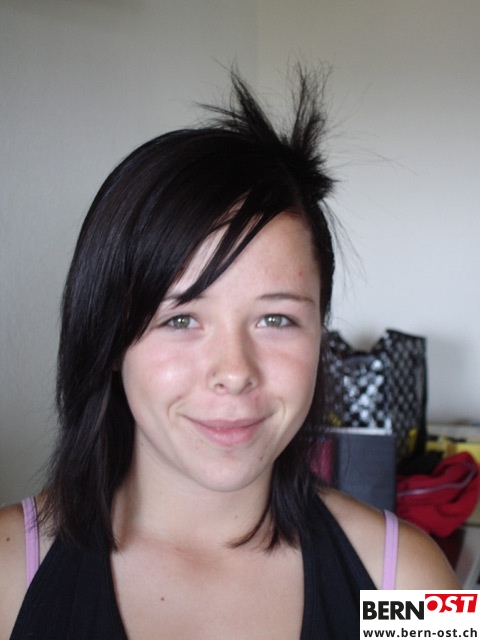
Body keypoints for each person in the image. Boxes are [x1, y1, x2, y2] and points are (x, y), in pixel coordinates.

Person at [0, 68, 459, 640]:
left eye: (276, 319)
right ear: (110, 340)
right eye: (181, 319)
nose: (235, 372)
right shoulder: (9, 575)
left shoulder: (411, 580)